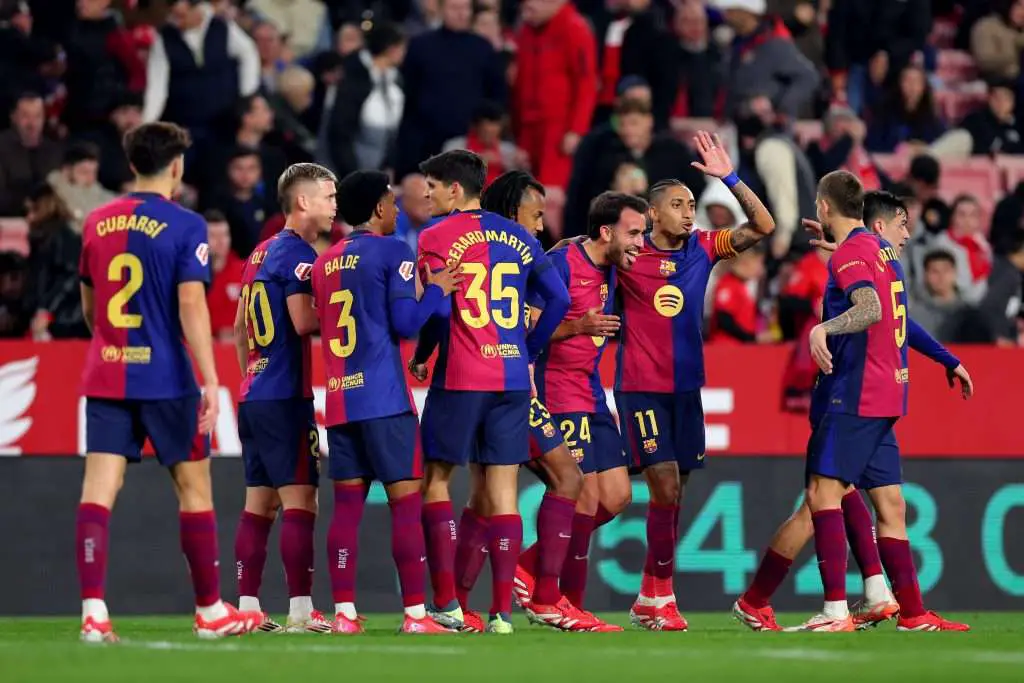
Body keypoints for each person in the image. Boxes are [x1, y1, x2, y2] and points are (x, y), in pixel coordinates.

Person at [734, 189, 975, 632]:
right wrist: (946, 357)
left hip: (865, 395)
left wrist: (945, 357)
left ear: (825, 208)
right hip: (865, 396)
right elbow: (881, 310)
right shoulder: (872, 255)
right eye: (902, 223)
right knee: (853, 502)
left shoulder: (865, 255)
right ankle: (880, 607)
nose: (908, 232)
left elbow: (882, 310)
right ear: (878, 223)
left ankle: (873, 610)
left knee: (853, 501)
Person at [76, 122, 260, 642]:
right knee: (193, 488)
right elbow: (190, 305)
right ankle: (209, 611)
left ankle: (93, 612)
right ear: (176, 167)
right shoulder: (186, 225)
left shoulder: (95, 222)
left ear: (133, 164)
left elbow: (91, 308)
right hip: (166, 377)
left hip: (108, 373)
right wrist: (210, 378)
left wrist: (113, 344)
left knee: (98, 491)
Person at [614, 131, 776, 630]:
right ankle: (663, 600)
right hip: (641, 385)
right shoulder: (626, 256)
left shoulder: (704, 247)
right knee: (662, 485)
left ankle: (650, 594)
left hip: (686, 387)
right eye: (679, 205)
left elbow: (764, 225)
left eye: (691, 204)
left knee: (676, 491)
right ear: (654, 215)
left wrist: (728, 177)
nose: (689, 212)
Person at [409, 150, 570, 634]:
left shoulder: (435, 236)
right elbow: (558, 297)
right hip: (512, 380)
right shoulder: (520, 236)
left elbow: (438, 313)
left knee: (435, 482)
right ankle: (501, 614)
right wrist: (528, 350)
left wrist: (423, 356)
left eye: (433, 186)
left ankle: (447, 605)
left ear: (455, 190)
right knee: (503, 492)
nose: (426, 194)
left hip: (460, 376)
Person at [314, 170, 461, 634]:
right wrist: (438, 287)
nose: (398, 210)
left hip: (339, 402)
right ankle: (417, 615)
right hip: (384, 400)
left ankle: (343, 614)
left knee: (347, 510)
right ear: (379, 208)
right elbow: (407, 324)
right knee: (405, 504)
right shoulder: (393, 250)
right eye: (393, 203)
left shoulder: (324, 262)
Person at [523, 191, 647, 628]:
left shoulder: (611, 264)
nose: (640, 242)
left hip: (592, 393)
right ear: (606, 231)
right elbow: (525, 328)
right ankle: (565, 602)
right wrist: (578, 326)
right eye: (634, 233)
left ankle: (528, 566)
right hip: (557, 391)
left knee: (617, 496)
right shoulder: (560, 264)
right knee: (585, 495)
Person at [231, 163, 336, 634]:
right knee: (301, 502)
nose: (335, 205)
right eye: (328, 197)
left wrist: (251, 374)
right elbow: (302, 322)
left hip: (253, 393)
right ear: (302, 203)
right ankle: (299, 610)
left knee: (260, 504)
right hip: (284, 397)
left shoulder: (258, 253)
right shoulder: (297, 254)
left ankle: (248, 606)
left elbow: (238, 328)